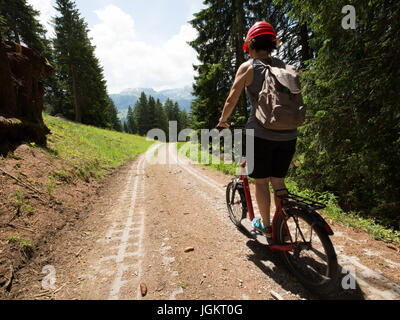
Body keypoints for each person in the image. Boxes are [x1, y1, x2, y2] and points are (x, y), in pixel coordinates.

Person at [217, 21, 298, 238]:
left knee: (261, 182)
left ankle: (268, 227)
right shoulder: (284, 67)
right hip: (290, 134)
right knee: (278, 181)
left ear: (251, 45)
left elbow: (231, 99)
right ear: (272, 44)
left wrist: (222, 121)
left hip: (260, 134)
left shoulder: (248, 67)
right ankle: (284, 225)